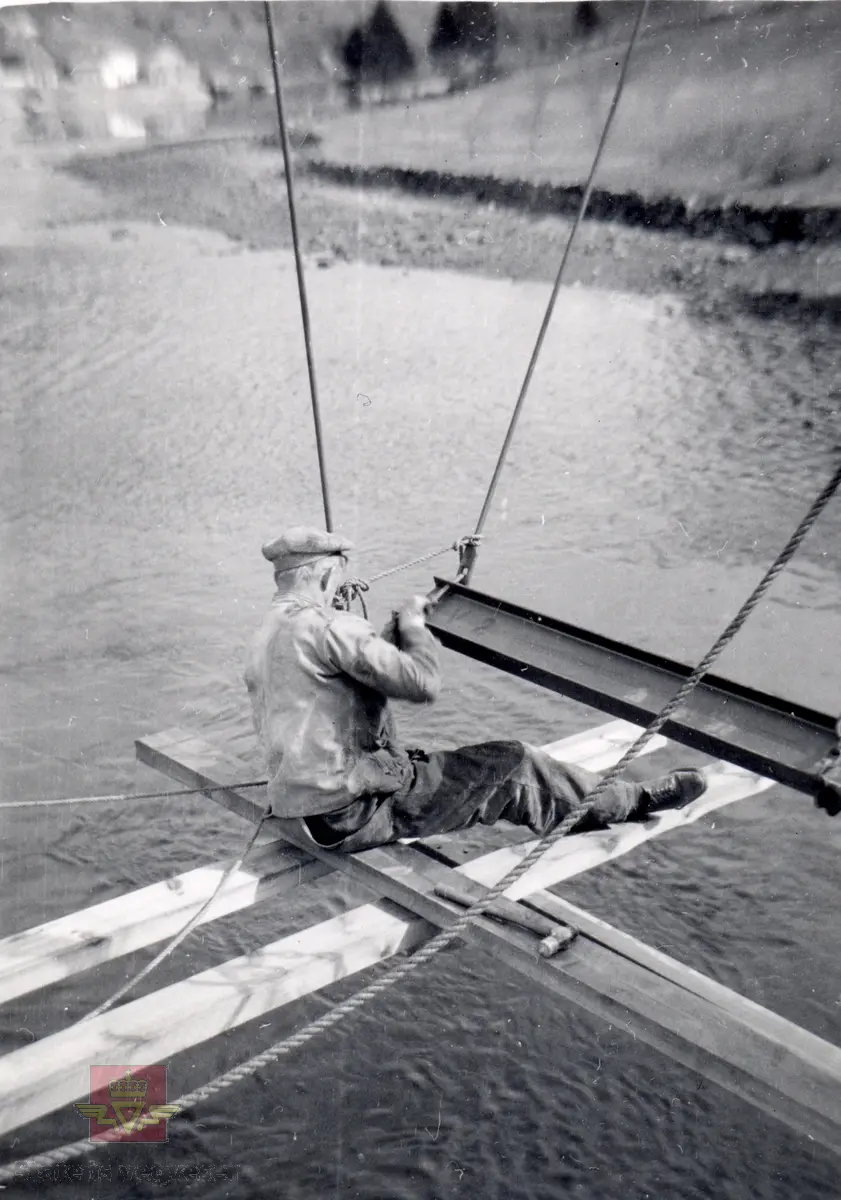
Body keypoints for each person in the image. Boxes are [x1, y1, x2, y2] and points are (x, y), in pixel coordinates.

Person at [244, 527, 707, 853]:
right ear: (327, 577)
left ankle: (581, 803)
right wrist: (413, 625)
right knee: (515, 764)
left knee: (426, 760)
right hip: (350, 815)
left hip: (299, 809)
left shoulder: (266, 630)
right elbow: (423, 684)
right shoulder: (329, 625)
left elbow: (333, 681)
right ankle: (633, 802)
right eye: (337, 581)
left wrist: (381, 636)